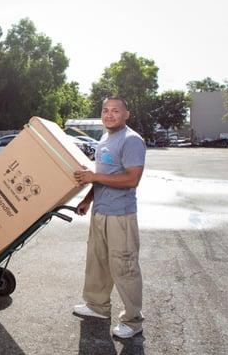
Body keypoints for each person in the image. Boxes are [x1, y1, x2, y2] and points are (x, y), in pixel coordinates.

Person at [72, 96, 146, 339]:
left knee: (124, 267)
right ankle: (97, 306)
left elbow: (131, 179)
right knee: (97, 264)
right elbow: (102, 175)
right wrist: (87, 200)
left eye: (116, 111)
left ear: (127, 114)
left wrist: (94, 178)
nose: (109, 115)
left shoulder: (131, 140)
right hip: (100, 213)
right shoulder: (104, 139)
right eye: (105, 110)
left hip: (120, 216)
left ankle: (133, 321)